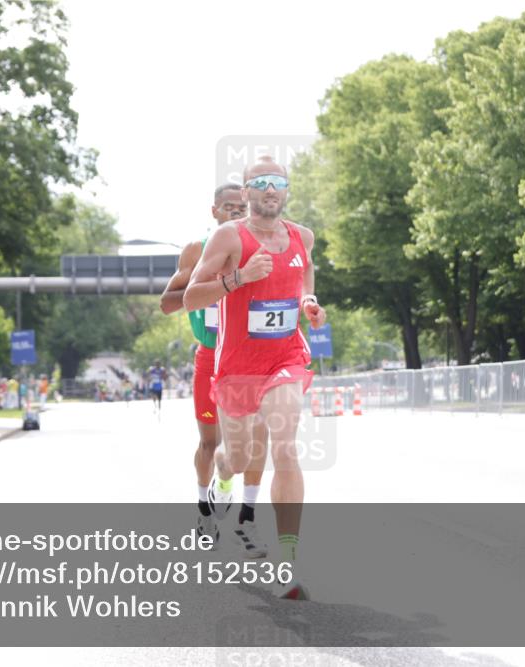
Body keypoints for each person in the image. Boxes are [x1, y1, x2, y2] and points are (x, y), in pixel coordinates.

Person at [184, 157, 327, 599]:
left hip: (285, 356)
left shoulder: (303, 236)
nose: (271, 189)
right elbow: (191, 296)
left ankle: (287, 563)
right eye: (261, 183)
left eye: (278, 183)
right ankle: (223, 479)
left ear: (286, 190)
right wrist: (240, 278)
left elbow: (304, 282)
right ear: (245, 193)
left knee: (284, 447)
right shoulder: (229, 237)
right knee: (237, 455)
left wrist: (309, 306)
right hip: (237, 365)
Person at [160, 183, 270, 557]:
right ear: (214, 211)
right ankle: (204, 509)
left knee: (258, 437)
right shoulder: (197, 249)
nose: (237, 213)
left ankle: (248, 517)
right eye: (229, 207)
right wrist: (207, 288)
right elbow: (167, 304)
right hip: (211, 355)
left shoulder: (261, 247)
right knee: (210, 441)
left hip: (251, 357)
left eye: (243, 208)